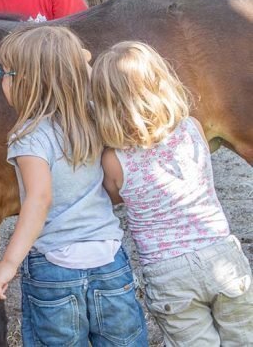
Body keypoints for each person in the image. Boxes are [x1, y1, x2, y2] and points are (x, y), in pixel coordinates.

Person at [0, 26, 148, 346]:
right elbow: (84, 65)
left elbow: (39, 199)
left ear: (25, 82)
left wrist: (8, 264)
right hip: (109, 260)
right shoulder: (93, 118)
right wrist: (72, 58)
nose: (1, 78)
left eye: (5, 71)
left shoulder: (30, 136)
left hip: (55, 269)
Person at [91, 41, 253, 346]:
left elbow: (115, 197)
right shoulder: (192, 128)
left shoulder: (113, 161)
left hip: (168, 273)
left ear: (104, 103)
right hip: (220, 253)